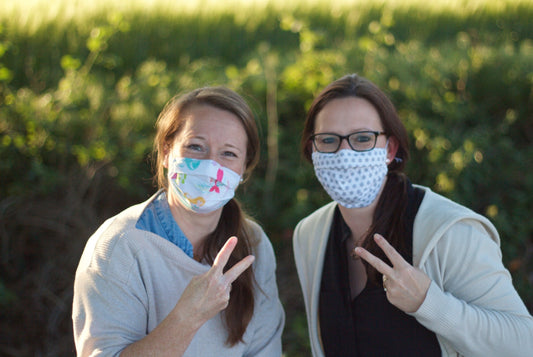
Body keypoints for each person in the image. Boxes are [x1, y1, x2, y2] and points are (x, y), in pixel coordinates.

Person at [292, 74, 533, 356]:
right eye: (329, 140)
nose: (345, 153)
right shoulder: (309, 235)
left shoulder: (451, 232)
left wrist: (428, 303)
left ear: (389, 148)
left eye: (362, 138)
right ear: (312, 149)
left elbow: (522, 342)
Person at [73, 86, 285, 356]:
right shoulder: (118, 248)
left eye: (228, 154)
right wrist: (188, 318)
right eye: (196, 147)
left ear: (244, 170)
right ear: (166, 153)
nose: (210, 165)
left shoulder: (253, 244)